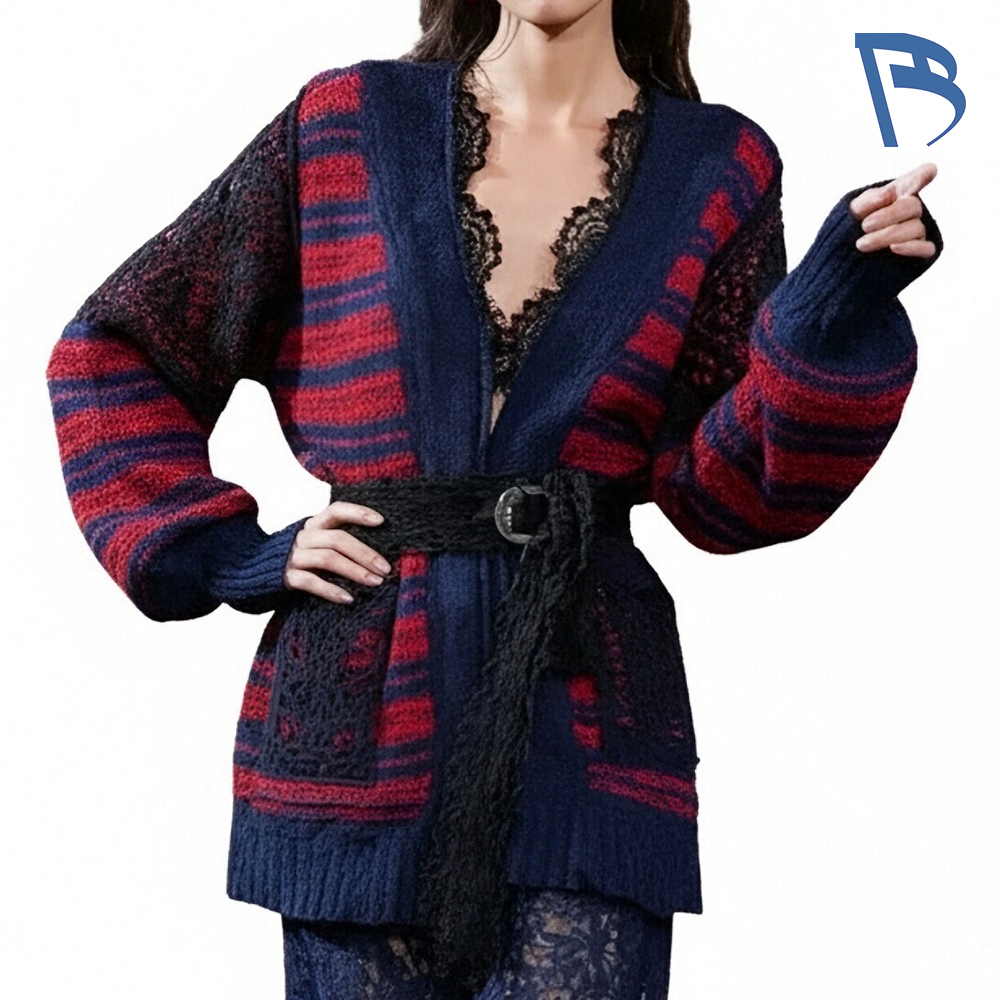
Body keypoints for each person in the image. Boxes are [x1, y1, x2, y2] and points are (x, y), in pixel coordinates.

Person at [45, 1, 943, 997]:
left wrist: (828, 311)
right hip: (356, 721)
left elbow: (725, 493)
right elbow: (115, 351)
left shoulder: (719, 167)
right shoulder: (343, 125)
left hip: (588, 725)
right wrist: (220, 549)